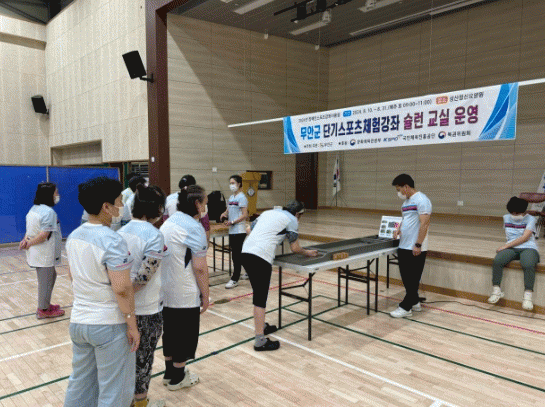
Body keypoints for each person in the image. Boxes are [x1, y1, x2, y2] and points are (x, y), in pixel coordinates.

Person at [64, 176, 139, 407]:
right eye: (119, 201)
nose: (122, 205)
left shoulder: (74, 236)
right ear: (106, 207)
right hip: (109, 324)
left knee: (80, 385)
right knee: (114, 391)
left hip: (79, 322)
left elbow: (72, 276)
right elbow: (122, 288)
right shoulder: (112, 240)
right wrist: (132, 324)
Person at [241, 200, 318, 351]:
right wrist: (307, 252)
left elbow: (249, 230)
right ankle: (260, 341)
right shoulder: (292, 219)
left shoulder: (268, 212)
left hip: (245, 253)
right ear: (298, 213)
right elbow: (295, 247)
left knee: (258, 294)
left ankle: (261, 326)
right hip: (260, 258)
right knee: (260, 299)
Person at [118, 184, 168, 407]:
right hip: (146, 309)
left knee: (125, 360)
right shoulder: (154, 235)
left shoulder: (120, 233)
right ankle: (140, 403)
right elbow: (143, 277)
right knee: (143, 360)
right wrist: (126, 293)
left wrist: (121, 295)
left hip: (121, 310)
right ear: (156, 208)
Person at [160, 185, 209, 390]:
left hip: (165, 289)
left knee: (170, 332)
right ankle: (178, 378)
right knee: (184, 335)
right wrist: (206, 295)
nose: (205, 208)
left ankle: (169, 373)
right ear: (197, 204)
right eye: (205, 203)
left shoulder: (169, 222)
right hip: (185, 291)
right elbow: (200, 268)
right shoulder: (194, 228)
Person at [19, 182, 65, 319]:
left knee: (51, 277)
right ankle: (43, 310)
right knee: (46, 281)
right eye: (56, 193)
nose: (58, 195)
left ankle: (45, 304)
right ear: (49, 195)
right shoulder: (48, 212)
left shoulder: (34, 209)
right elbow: (44, 235)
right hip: (44, 253)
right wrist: (28, 243)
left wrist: (25, 240)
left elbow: (30, 230)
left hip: (38, 252)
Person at [390, 174, 432, 318]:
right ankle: (415, 302)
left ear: (406, 187)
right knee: (407, 278)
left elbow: (424, 224)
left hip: (415, 247)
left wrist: (418, 244)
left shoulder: (422, 200)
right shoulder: (406, 203)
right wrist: (398, 229)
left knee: (413, 279)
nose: (399, 193)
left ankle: (405, 307)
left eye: (399, 189)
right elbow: (406, 219)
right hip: (404, 245)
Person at [488, 197, 539, 311]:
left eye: (517, 213)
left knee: (528, 264)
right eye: (512, 212)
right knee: (498, 260)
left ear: (524, 211)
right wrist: (507, 246)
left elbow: (525, 238)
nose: (514, 215)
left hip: (528, 247)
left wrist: (505, 246)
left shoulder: (531, 219)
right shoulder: (506, 218)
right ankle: (496, 290)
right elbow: (510, 236)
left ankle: (527, 296)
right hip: (511, 247)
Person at [221, 175, 249, 289]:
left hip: (239, 230)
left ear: (239, 184)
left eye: (233, 183)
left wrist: (233, 222)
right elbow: (228, 210)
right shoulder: (232, 197)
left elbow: (245, 215)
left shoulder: (242, 198)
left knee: (236, 256)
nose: (231, 185)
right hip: (232, 230)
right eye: (230, 183)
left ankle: (234, 279)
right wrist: (224, 214)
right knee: (239, 254)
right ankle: (250, 272)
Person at [165, 174, 210, 242]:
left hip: (172, 235)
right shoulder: (197, 198)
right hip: (192, 235)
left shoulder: (169, 198)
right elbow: (205, 222)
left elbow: (165, 219)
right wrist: (207, 240)